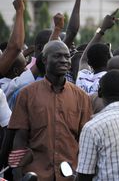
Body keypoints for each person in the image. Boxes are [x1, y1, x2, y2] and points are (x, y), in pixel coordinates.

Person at [8, 40, 92, 180]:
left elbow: (85, 141)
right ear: (45, 60)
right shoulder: (27, 94)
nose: (64, 60)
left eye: (67, 57)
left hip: (70, 175)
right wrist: (17, 174)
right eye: (58, 56)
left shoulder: (81, 97)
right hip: (36, 175)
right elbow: (20, 138)